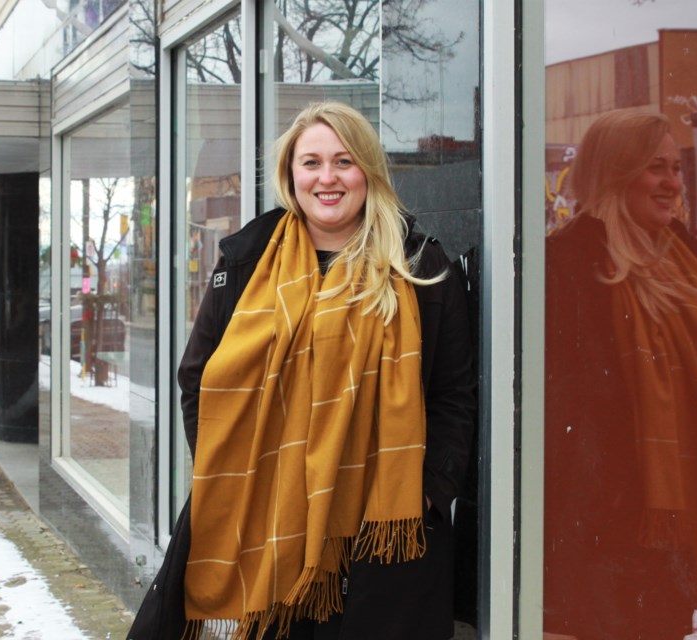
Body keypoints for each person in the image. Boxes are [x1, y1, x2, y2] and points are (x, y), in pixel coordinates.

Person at [128, 102, 476, 640]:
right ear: (291, 176)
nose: (327, 178)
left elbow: (454, 394)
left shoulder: (420, 267)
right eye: (310, 163)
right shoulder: (247, 263)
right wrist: (239, 472)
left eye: (343, 161)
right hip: (267, 520)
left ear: (369, 170)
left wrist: (427, 491)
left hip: (379, 528)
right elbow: (198, 379)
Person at [545, 110, 697, 639]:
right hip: (604, 523)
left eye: (676, 168)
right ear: (614, 172)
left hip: (672, 520)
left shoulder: (685, 254)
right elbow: (563, 402)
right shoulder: (569, 258)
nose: (670, 182)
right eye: (653, 167)